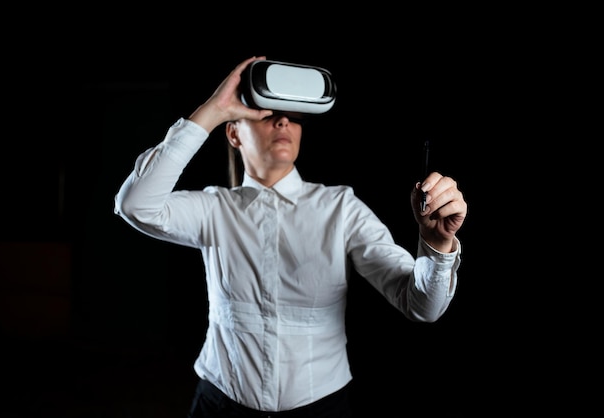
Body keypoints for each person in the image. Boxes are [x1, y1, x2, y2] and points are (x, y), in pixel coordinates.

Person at [114, 56, 468, 417]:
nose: (282, 120)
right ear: (233, 132)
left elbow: (423, 306)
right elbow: (135, 204)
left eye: (293, 116)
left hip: (320, 409)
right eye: (266, 112)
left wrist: (436, 245)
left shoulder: (340, 208)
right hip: (219, 404)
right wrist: (213, 109)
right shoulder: (213, 208)